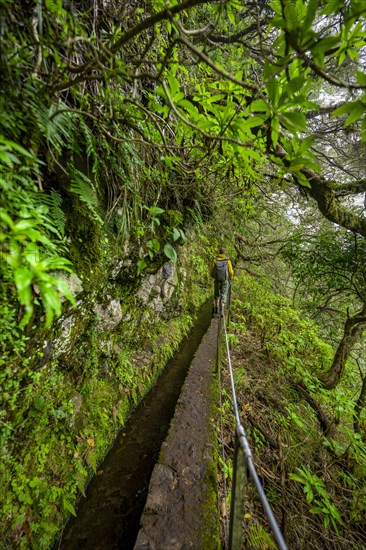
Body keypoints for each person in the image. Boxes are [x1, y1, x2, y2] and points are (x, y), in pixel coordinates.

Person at [210, 247, 233, 317]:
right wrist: (230, 278)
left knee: (216, 295)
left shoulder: (215, 260)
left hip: (217, 280)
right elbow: (231, 271)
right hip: (224, 280)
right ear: (224, 253)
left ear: (219, 252)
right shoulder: (227, 261)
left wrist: (212, 276)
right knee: (223, 294)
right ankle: (222, 310)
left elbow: (211, 269)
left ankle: (216, 309)